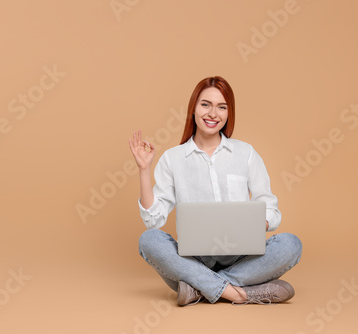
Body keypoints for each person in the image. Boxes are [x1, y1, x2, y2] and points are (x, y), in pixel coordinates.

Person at [128, 76, 302, 306]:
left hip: (241, 258)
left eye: (222, 107)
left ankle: (199, 290)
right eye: (205, 105)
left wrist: (260, 224)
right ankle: (239, 293)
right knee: (149, 240)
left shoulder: (246, 153)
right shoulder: (173, 158)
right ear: (193, 108)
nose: (213, 114)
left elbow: (270, 208)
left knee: (291, 244)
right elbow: (153, 220)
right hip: (193, 261)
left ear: (229, 113)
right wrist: (144, 169)